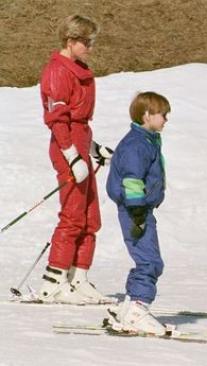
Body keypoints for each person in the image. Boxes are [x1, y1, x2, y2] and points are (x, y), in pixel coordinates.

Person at [37, 14, 114, 304]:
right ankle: (54, 282)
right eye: (86, 42)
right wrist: (71, 157)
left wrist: (93, 149)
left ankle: (78, 278)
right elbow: (58, 121)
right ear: (71, 41)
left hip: (80, 142)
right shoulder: (57, 72)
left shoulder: (80, 70)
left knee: (90, 217)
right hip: (65, 147)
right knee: (72, 216)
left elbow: (79, 122)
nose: (90, 48)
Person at [105, 92, 171, 335]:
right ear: (147, 115)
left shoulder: (145, 139)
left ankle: (130, 307)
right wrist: (137, 209)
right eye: (162, 115)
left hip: (139, 209)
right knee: (150, 261)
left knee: (145, 258)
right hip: (136, 211)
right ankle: (138, 309)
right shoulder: (137, 144)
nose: (166, 119)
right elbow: (132, 179)